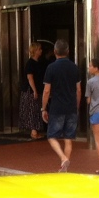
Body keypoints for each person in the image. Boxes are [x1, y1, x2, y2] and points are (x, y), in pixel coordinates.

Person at [40, 39, 80, 172]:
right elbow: (78, 90)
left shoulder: (51, 68)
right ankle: (65, 167)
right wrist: (77, 106)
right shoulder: (74, 67)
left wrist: (43, 108)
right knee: (68, 138)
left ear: (55, 52)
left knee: (52, 136)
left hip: (57, 107)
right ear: (68, 52)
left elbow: (47, 90)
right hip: (71, 107)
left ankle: (63, 158)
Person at [20, 43, 47, 140]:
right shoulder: (30, 63)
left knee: (36, 109)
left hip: (37, 89)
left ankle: (35, 130)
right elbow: (30, 77)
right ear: (35, 51)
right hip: (30, 91)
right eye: (39, 49)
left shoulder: (38, 62)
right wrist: (34, 90)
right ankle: (33, 131)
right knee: (32, 110)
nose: (41, 51)